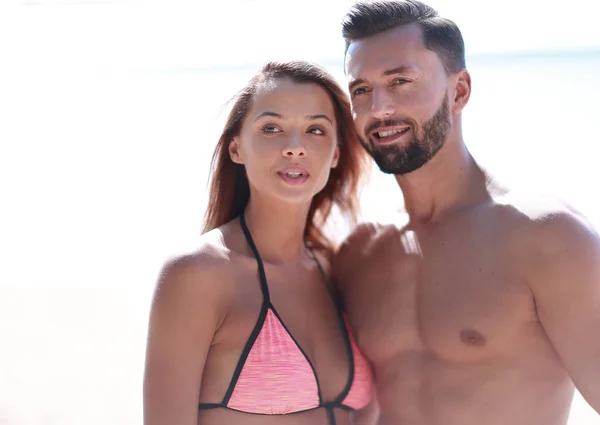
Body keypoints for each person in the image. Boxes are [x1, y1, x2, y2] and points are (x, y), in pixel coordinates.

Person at [332, 1, 600, 425]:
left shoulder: (546, 237)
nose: (379, 108)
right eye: (361, 89)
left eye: (400, 81)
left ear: (459, 91)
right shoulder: (358, 255)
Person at [143, 60, 374, 425]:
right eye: (271, 128)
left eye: (316, 129)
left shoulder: (339, 272)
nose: (295, 147)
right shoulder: (198, 275)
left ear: (335, 154)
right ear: (237, 149)